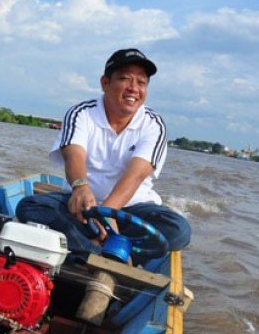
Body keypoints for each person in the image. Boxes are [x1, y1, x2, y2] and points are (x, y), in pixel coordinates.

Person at [16, 48, 191, 265]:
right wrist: (80, 187)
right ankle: (107, 254)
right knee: (30, 207)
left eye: (141, 83)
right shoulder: (81, 113)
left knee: (179, 231)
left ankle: (92, 249)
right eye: (125, 79)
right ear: (105, 83)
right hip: (81, 208)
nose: (133, 89)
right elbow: (74, 155)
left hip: (131, 210)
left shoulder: (153, 124)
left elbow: (137, 174)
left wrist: (109, 212)